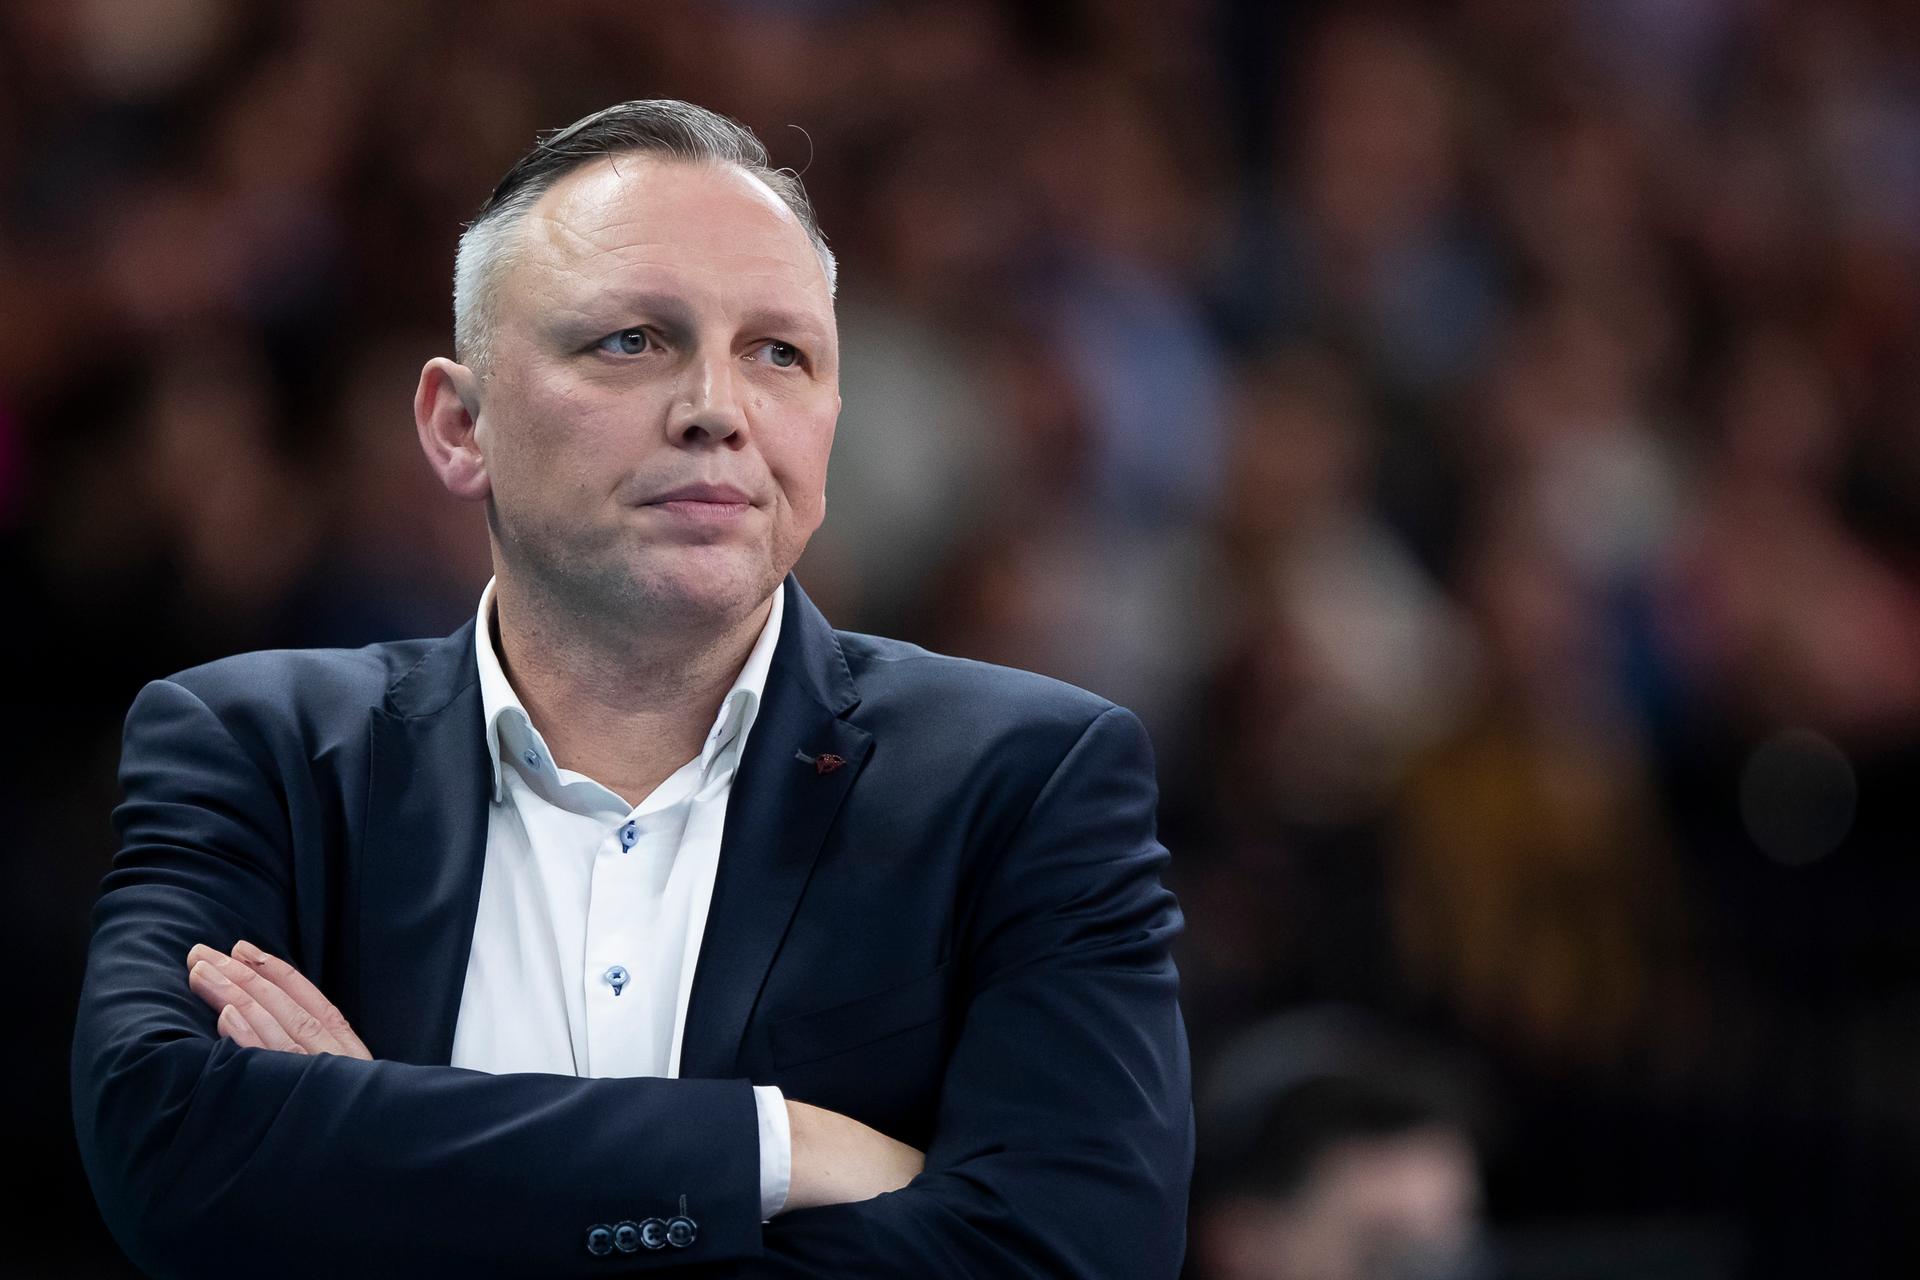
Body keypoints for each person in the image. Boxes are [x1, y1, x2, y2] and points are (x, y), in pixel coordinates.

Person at [70, 100, 1192, 1277]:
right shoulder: (257, 748)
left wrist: (383, 1155)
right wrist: (772, 1143)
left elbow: (1076, 1251)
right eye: (631, 340)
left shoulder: (1027, 779)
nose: (719, 405)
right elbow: (174, 1149)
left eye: (779, 352)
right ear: (461, 425)